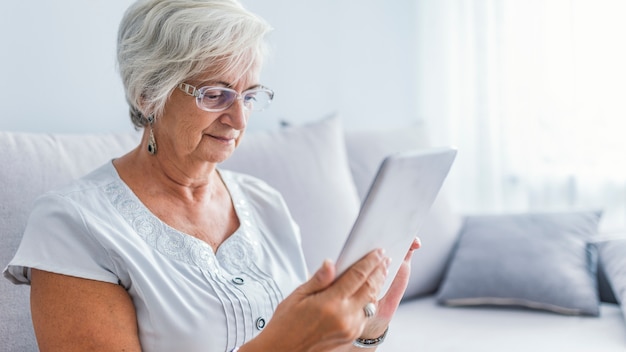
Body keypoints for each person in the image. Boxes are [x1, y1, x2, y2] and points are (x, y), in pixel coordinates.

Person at [3, 0, 420, 351]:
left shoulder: (264, 203)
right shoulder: (72, 224)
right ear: (148, 94)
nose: (239, 118)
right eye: (215, 94)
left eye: (250, 95)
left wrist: (368, 327)